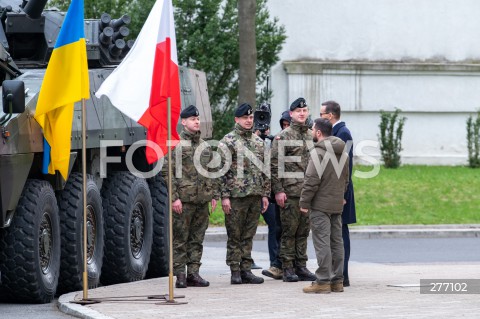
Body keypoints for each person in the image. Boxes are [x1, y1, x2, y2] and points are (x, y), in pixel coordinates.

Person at [167, 105, 219, 288]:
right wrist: (174, 198)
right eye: (192, 119)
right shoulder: (176, 144)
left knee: (197, 238)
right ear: (183, 122)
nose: (196, 122)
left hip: (202, 200)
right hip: (184, 200)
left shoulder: (205, 146)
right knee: (181, 239)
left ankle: (194, 273)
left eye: (197, 119)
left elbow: (211, 171)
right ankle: (180, 275)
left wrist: (213, 195)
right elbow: (169, 173)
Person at [219, 103, 270, 285]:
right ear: (236, 119)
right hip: (235, 196)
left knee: (248, 234)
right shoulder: (228, 141)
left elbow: (265, 170)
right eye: (245, 118)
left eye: (250, 118)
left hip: (254, 196)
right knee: (235, 235)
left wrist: (265, 194)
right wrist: (224, 196)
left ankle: (246, 269)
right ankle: (235, 270)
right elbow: (220, 171)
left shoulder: (258, 143)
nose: (249, 121)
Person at [299, 118, 349, 294]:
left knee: (322, 243)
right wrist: (340, 196)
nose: (312, 131)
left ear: (318, 132)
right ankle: (337, 281)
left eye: (313, 129)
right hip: (336, 204)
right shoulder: (343, 152)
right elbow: (346, 179)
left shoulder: (318, 153)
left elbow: (311, 181)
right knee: (337, 242)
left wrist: (304, 202)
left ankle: (322, 281)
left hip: (320, 205)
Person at [271, 98, 316, 282]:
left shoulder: (310, 136)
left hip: (308, 192)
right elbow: (274, 165)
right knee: (289, 231)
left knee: (304, 231)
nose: (302, 113)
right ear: (291, 114)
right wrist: (278, 190)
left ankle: (301, 265)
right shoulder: (284, 136)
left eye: (304, 110)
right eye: (298, 111)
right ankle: (287, 267)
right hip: (290, 192)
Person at [320, 100, 356, 287]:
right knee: (337, 233)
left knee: (340, 234)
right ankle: (339, 273)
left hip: (340, 193)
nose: (320, 117)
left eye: (322, 114)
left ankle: (343, 275)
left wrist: (342, 194)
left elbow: (345, 166)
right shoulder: (337, 132)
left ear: (331, 115)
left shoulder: (342, 133)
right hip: (336, 192)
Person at [262, 110, 291, 280]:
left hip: (292, 191)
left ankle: (288, 264)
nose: (285, 129)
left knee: (290, 230)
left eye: (288, 125)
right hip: (274, 193)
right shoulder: (274, 142)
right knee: (276, 227)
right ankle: (276, 264)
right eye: (283, 125)